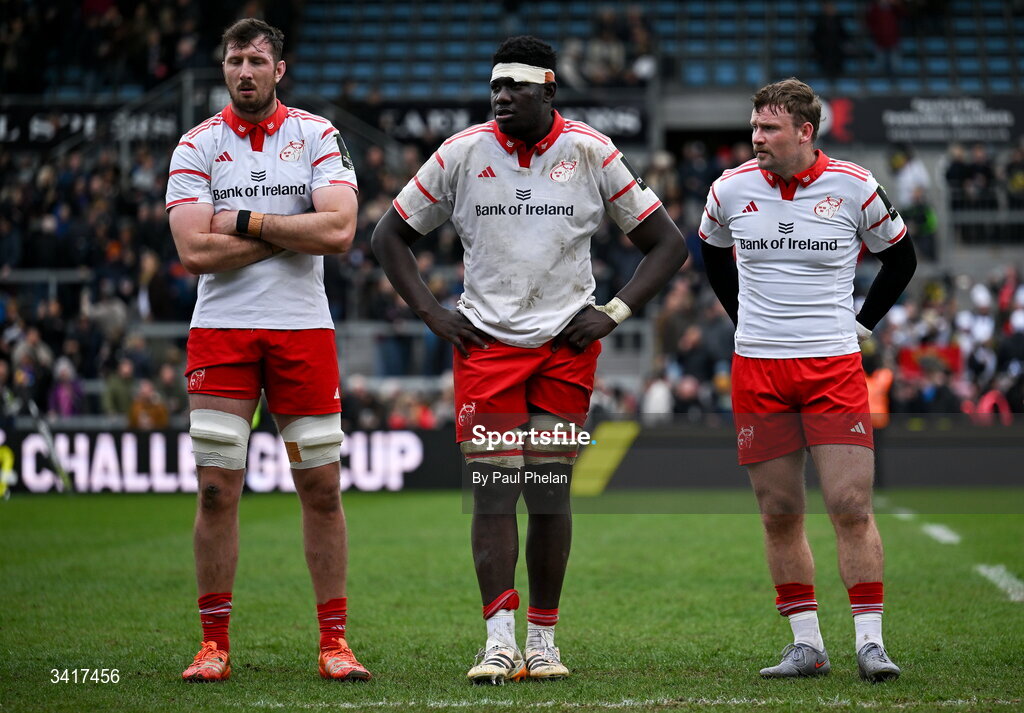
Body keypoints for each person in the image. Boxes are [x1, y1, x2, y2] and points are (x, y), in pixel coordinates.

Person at [371, 36, 685, 684]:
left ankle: (542, 639)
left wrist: (615, 312)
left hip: (566, 346)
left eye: (515, 87)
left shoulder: (592, 152)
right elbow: (388, 235)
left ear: (549, 90)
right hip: (486, 343)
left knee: (548, 492)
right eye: (495, 88)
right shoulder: (459, 153)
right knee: (492, 493)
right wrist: (433, 313)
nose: (502, 97)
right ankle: (497, 641)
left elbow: (667, 243)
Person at [165, 18, 369, 683]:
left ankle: (334, 642)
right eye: (234, 60)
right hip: (221, 331)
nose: (244, 71)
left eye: (256, 60)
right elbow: (195, 250)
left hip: (302, 329)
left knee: (321, 486)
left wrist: (247, 221)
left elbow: (339, 231)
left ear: (280, 68)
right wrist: (293, 230)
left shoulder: (317, 135)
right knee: (218, 489)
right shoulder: (197, 145)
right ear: (223, 69)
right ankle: (212, 644)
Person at [699, 79, 916, 683]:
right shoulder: (729, 189)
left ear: (804, 132)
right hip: (758, 370)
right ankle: (807, 646)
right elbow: (710, 251)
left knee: (850, 505)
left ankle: (870, 644)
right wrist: (742, 317)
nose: (756, 138)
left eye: (768, 128)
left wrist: (863, 324)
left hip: (832, 367)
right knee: (779, 512)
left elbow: (902, 257)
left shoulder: (853, 185)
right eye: (754, 127)